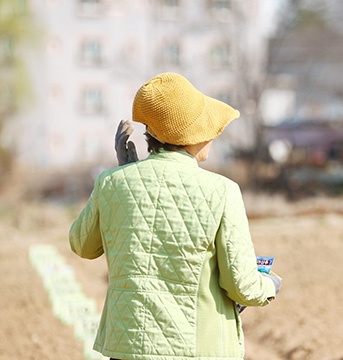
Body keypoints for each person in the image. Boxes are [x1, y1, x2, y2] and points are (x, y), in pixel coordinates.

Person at [69, 72, 281, 360]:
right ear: (192, 134)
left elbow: (82, 245)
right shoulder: (222, 191)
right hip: (198, 349)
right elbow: (241, 286)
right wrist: (269, 285)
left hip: (127, 348)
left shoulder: (111, 183)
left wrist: (123, 174)